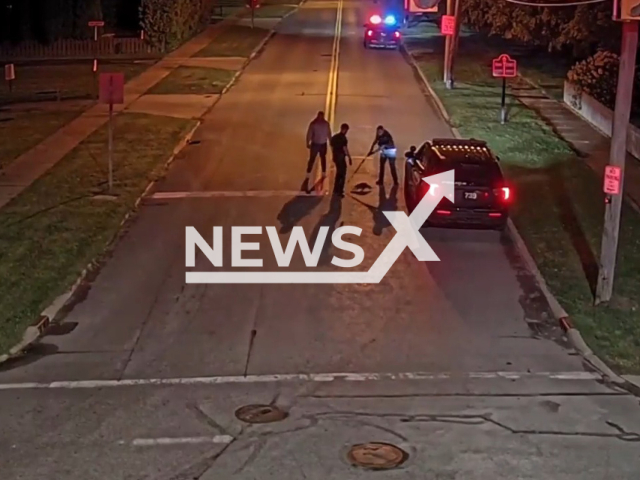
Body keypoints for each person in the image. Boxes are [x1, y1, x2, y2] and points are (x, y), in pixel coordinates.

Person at [305, 111, 332, 180]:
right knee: (315, 158)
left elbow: (328, 133)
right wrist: (308, 142)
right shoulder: (320, 124)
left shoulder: (316, 123)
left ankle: (321, 172)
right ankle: (310, 172)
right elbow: (309, 134)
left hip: (319, 144)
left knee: (319, 158)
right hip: (317, 143)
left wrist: (308, 142)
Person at [330, 123, 353, 197]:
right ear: (345, 130)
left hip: (336, 157)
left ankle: (335, 189)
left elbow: (332, 147)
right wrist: (349, 157)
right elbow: (345, 148)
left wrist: (333, 156)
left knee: (338, 173)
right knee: (342, 174)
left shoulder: (334, 137)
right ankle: (340, 191)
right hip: (341, 157)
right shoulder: (343, 138)